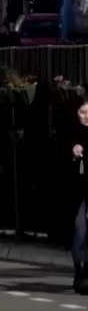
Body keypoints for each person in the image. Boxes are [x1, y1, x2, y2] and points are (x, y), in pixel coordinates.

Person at [66, 97, 88, 294]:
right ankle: (79, 271)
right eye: (82, 112)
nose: (87, 116)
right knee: (80, 232)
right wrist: (73, 153)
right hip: (78, 192)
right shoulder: (70, 134)